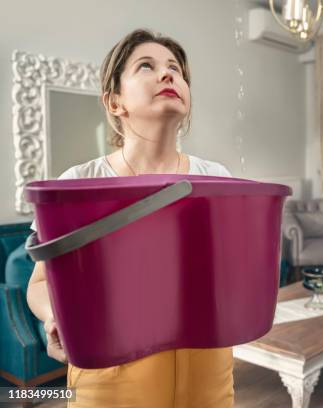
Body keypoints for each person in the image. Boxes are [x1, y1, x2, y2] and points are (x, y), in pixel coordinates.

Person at [26, 28, 234, 408]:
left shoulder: (218, 178)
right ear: (115, 101)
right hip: (109, 377)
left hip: (205, 372)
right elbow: (38, 283)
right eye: (146, 66)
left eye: (175, 68)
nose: (169, 74)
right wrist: (58, 315)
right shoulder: (76, 184)